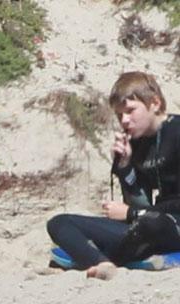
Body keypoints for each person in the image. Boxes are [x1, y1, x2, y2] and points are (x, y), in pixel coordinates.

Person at [47, 71, 180, 279]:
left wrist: (131, 214)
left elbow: (141, 213)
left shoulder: (177, 132)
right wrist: (125, 166)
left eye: (130, 111)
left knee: (152, 223)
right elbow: (140, 204)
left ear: (154, 103)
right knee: (59, 222)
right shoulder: (136, 143)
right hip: (147, 226)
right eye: (119, 115)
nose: (125, 120)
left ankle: (100, 256)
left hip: (170, 226)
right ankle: (105, 264)